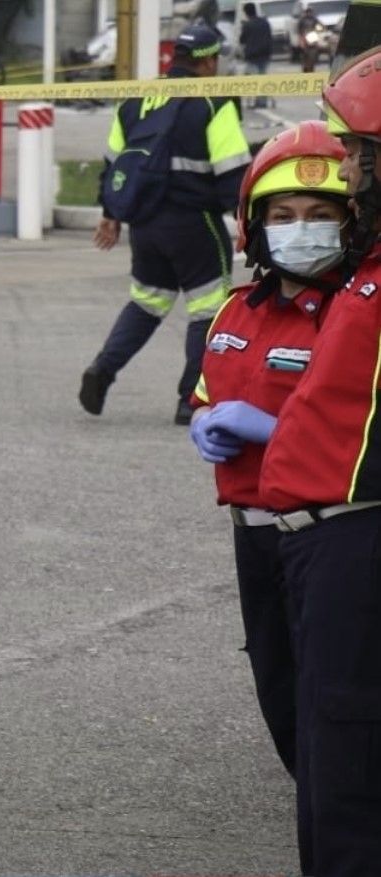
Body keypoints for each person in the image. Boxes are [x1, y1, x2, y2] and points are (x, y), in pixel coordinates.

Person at [187, 121, 348, 786]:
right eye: (282, 215)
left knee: (337, 698)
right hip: (252, 535)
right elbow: (207, 391)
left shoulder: (350, 315)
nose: (299, 228)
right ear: (254, 225)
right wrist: (205, 421)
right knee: (277, 686)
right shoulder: (233, 313)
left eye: (318, 215)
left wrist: (273, 426)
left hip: (327, 536)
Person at [256, 46, 381, 875]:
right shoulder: (364, 267)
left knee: (350, 784)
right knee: (328, 767)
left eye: (362, 153)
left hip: (358, 544)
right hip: (318, 544)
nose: (347, 167)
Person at [80, 25, 250, 425]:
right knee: (208, 309)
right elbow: (231, 169)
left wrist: (111, 213)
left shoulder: (138, 97)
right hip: (195, 222)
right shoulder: (212, 98)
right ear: (209, 61)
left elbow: (115, 162)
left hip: (144, 223)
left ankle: (102, 369)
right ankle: (189, 398)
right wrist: (250, 222)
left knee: (146, 302)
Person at [240, 2, 274, 109]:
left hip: (252, 56)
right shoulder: (264, 22)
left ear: (246, 12)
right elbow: (269, 36)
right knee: (262, 77)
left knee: (253, 79)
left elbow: (242, 40)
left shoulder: (247, 25)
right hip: (264, 54)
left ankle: (256, 101)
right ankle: (262, 101)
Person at [297, 3, 322, 72]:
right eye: (307, 12)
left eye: (310, 11)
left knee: (313, 55)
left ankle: (311, 68)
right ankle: (305, 68)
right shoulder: (302, 20)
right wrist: (301, 41)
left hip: (313, 38)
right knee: (305, 55)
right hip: (305, 38)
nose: (309, 13)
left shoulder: (315, 20)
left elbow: (320, 28)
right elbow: (299, 31)